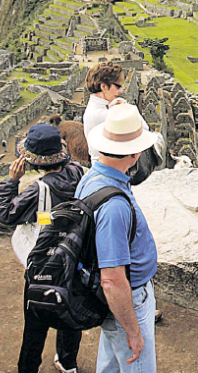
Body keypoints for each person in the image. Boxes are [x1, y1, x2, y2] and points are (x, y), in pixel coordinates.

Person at [0, 124, 85, 373]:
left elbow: (3, 212)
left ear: (32, 162)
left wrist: (11, 181)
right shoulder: (79, 173)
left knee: (35, 322)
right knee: (69, 311)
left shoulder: (38, 190)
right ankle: (67, 361)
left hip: (45, 261)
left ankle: (28, 367)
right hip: (75, 255)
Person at [78, 103, 159, 372]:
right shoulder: (113, 205)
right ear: (135, 153)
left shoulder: (92, 178)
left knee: (111, 364)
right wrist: (133, 332)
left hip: (116, 300)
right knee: (135, 362)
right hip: (129, 299)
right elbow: (112, 280)